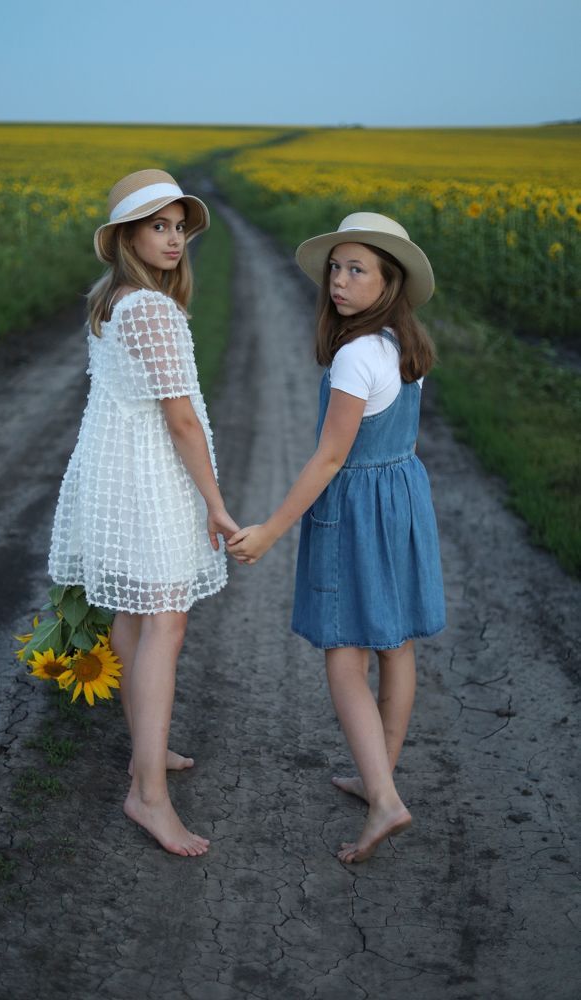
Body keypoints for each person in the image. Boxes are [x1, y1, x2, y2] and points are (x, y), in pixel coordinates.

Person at [228, 213, 445, 864]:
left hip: (354, 509)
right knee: (396, 644)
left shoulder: (355, 356)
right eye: (336, 267)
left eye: (358, 269)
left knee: (345, 654)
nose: (340, 280)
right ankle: (378, 776)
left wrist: (269, 530)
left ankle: (383, 797)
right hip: (403, 498)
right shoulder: (405, 347)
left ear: (389, 281)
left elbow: (328, 461)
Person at [48, 169, 238, 857]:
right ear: (126, 236)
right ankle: (149, 796)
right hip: (147, 477)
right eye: (158, 226)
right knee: (166, 620)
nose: (174, 240)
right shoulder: (152, 309)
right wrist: (215, 504)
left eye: (179, 227)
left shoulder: (114, 301)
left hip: (114, 473)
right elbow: (181, 419)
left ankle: (145, 756)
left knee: (137, 616)